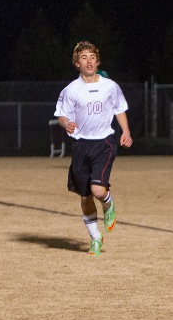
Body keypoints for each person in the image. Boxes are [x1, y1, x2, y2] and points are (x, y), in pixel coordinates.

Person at [54, 41, 132, 256]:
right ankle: (95, 238)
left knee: (98, 190)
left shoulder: (110, 86)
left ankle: (108, 204)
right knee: (86, 196)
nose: (88, 61)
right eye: (83, 57)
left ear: (98, 61)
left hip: (103, 143)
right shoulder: (71, 90)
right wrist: (66, 123)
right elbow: (62, 115)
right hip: (81, 146)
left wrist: (125, 132)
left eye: (92, 57)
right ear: (76, 63)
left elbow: (119, 109)